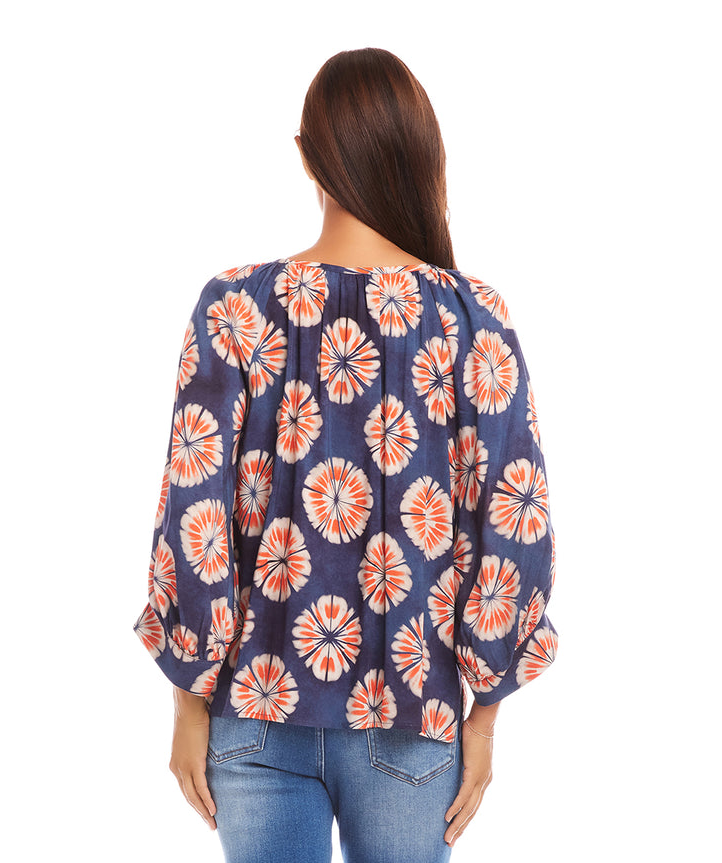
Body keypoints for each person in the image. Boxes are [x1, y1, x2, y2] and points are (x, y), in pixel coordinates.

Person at [133, 47, 559, 863]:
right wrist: (484, 714)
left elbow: (196, 513)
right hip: (414, 716)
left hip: (255, 710)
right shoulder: (473, 318)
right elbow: (515, 519)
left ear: (306, 155)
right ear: (423, 156)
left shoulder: (233, 307)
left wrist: (188, 697)